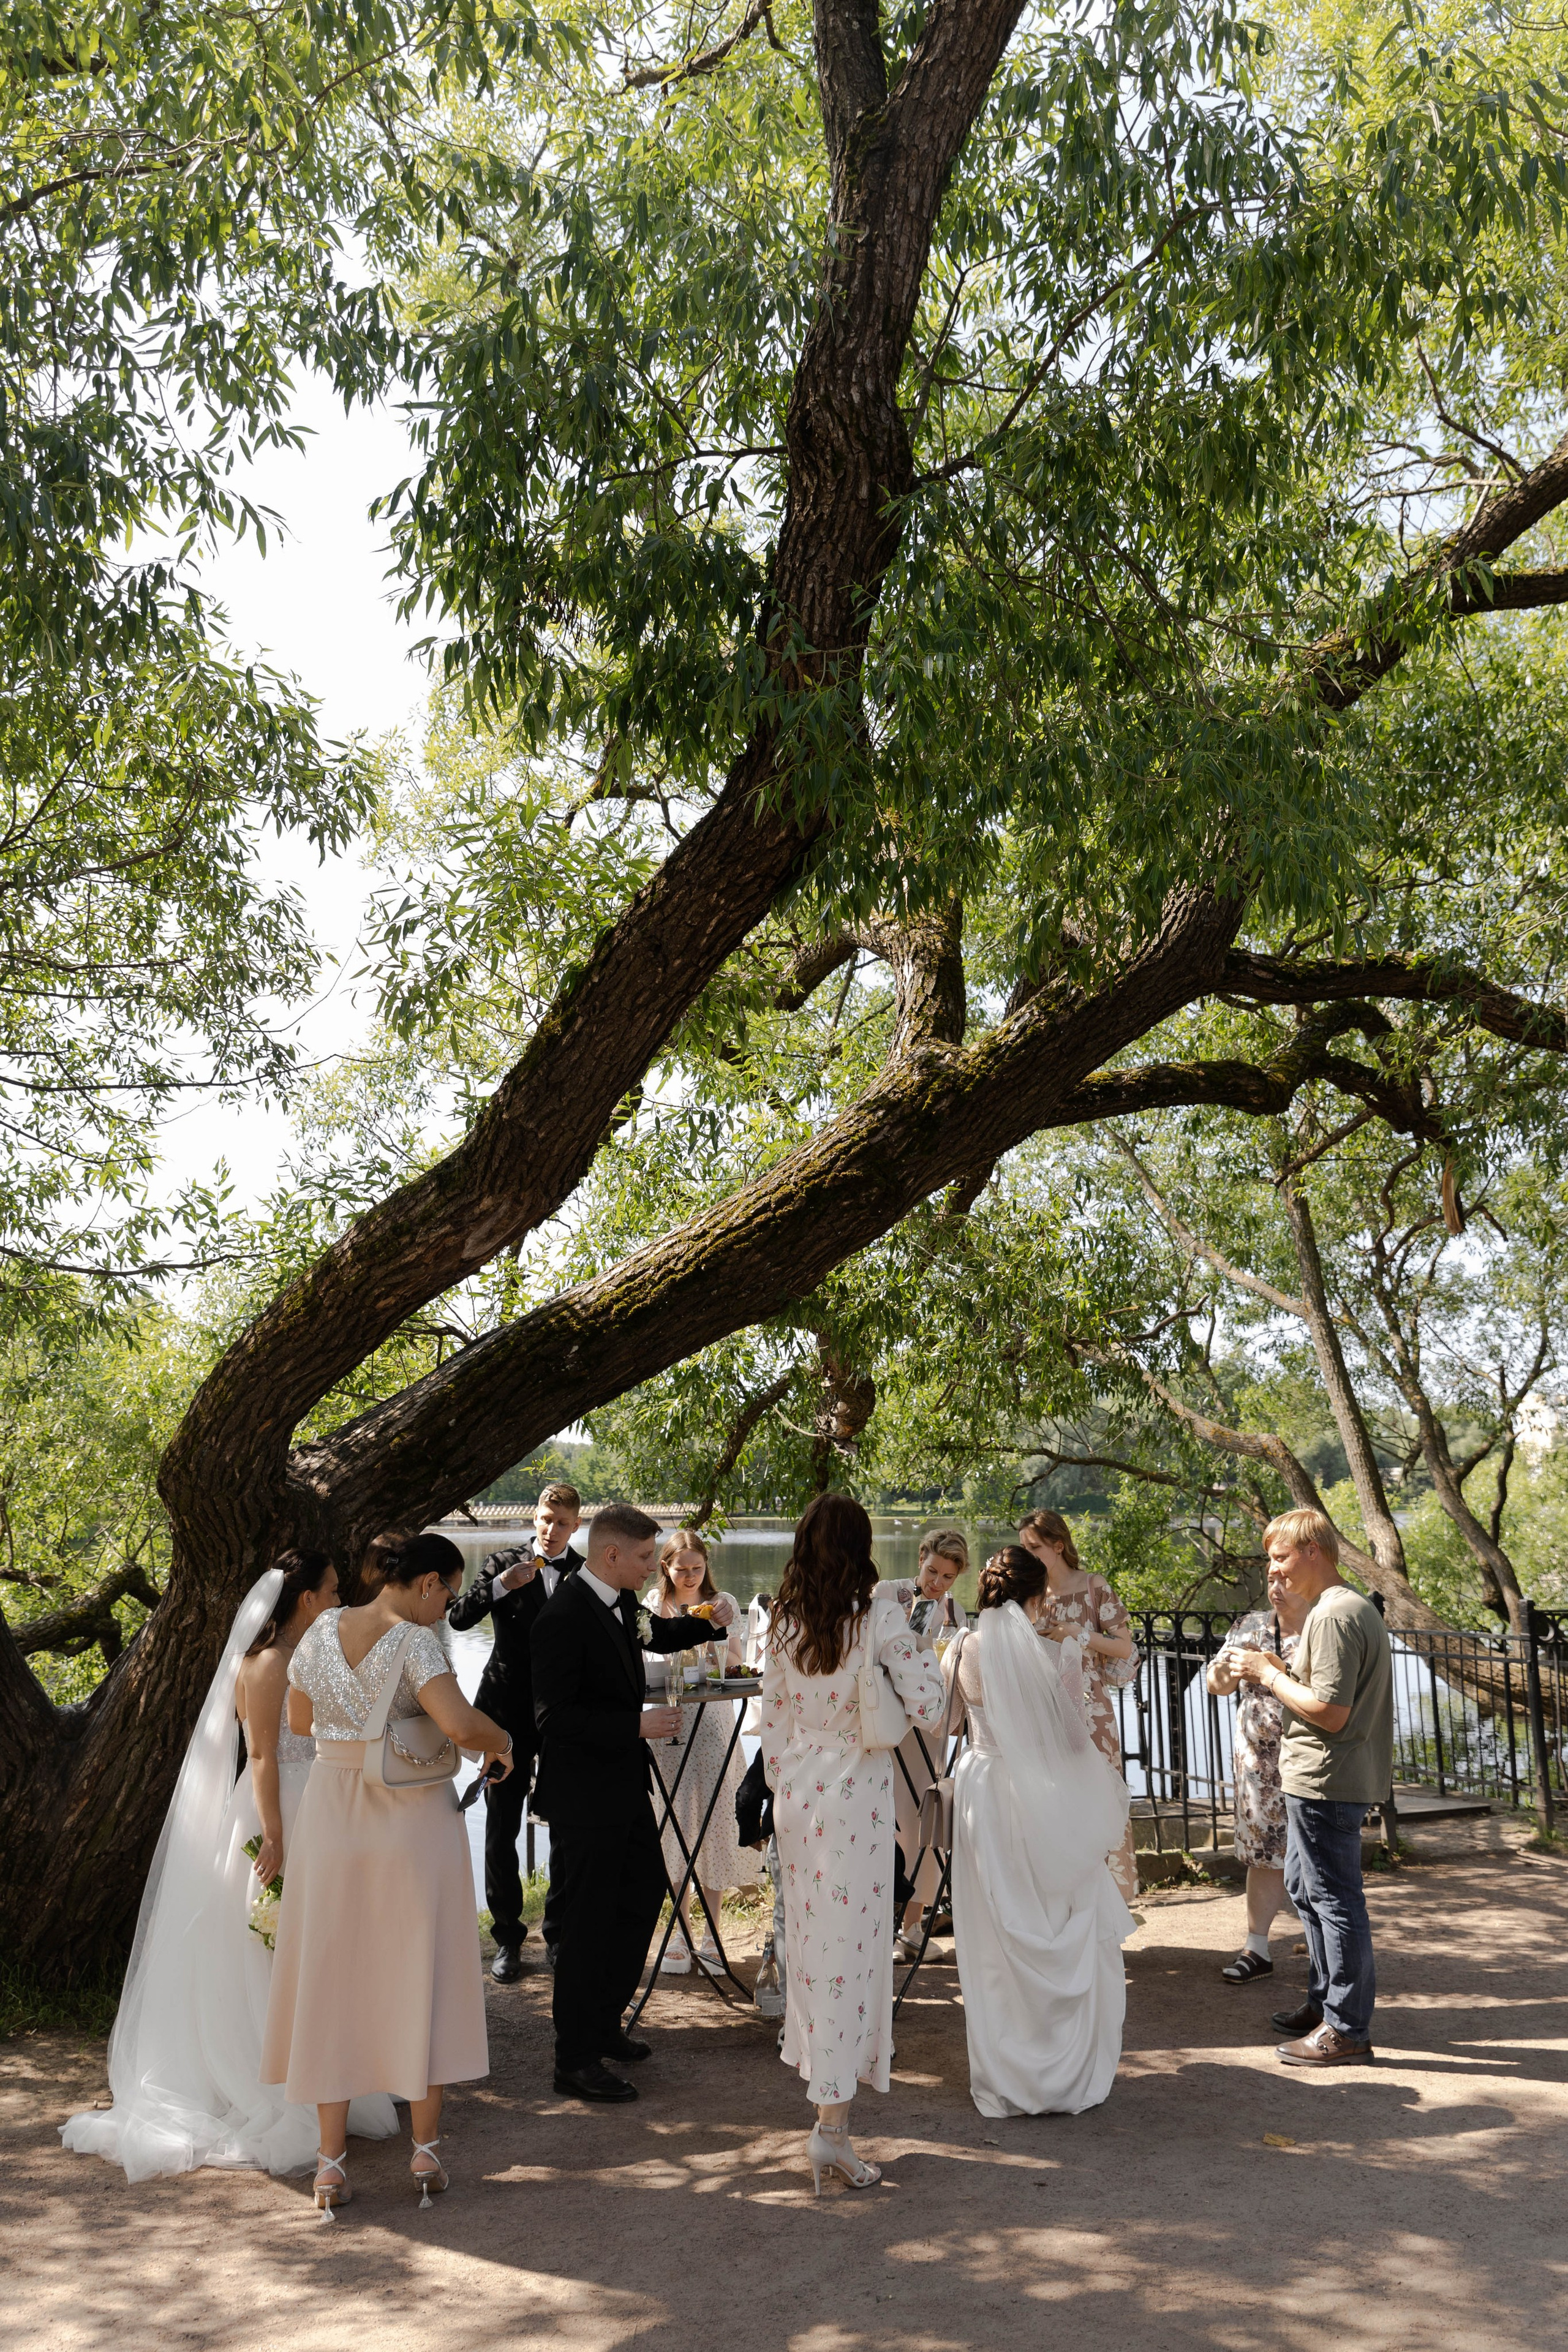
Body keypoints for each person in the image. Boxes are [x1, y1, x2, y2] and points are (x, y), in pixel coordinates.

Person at [61, 1553, 398, 2181]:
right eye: (330, 1591)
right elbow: (264, 1755)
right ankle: (273, 2077)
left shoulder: (308, 1653)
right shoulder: (268, 1664)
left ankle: (326, 2070)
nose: (337, 1600)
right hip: (281, 1809)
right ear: (305, 1599)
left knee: (319, 1943)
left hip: (316, 1801)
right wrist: (275, 1836)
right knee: (273, 1940)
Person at [259, 1532, 514, 2214]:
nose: (448, 1609)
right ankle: (425, 2153)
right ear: (428, 1583)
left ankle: (330, 2166)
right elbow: (460, 1726)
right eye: (450, 1595)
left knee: (333, 1980)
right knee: (421, 1971)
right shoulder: (417, 1643)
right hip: (409, 1821)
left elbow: (301, 1721)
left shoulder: (319, 1631)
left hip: (332, 1819)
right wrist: (505, 1742)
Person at [762, 1493, 945, 2193]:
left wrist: (789, 1782)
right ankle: (831, 2130)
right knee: (849, 1957)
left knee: (814, 1953)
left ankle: (828, 2112)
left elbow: (772, 1723)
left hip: (798, 1796)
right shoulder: (879, 1618)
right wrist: (915, 1651)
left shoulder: (783, 1620)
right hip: (855, 1799)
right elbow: (929, 1705)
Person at [530, 1502, 728, 2103]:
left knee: (641, 1897)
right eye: (645, 1557)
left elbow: (657, 1634)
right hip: (583, 1795)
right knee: (587, 1924)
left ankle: (603, 2023)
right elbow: (553, 1718)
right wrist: (634, 1726)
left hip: (622, 1786)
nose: (652, 1567)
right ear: (612, 1554)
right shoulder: (563, 1615)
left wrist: (708, 1624)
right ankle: (573, 2059)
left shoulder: (617, 1602)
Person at [950, 1545, 1133, 2116]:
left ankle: (1006, 2071)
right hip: (1038, 1796)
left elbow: (945, 1722)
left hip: (982, 1788)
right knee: (1052, 1910)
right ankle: (1063, 2069)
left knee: (993, 1928)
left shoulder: (962, 1646)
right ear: (1038, 1598)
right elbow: (1076, 1742)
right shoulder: (1060, 1653)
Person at [1228, 1509, 1393, 2067]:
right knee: (1304, 1888)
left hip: (1328, 1779)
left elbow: (1331, 1712)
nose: (1273, 1570)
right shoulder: (1345, 1608)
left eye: (1280, 1557)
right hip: (1321, 1777)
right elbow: (1329, 1695)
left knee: (1335, 1900)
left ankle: (1346, 2029)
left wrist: (1270, 1676)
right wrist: (1283, 1669)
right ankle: (1325, 2006)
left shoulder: (1335, 1614)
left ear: (1312, 1553)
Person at [447, 1480, 583, 1979]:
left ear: (576, 1526)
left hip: (563, 1717)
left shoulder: (586, 1573)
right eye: (546, 1520)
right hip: (502, 1716)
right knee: (501, 1827)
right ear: (534, 1517)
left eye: (562, 1523)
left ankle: (559, 1934)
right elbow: (458, 1619)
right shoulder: (501, 1563)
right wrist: (502, 1585)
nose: (552, 1530)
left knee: (566, 1824)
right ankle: (507, 1939)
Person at [644, 1529, 760, 1975]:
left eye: (697, 1568)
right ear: (666, 1568)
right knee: (673, 1822)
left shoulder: (722, 1602)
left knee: (714, 1821)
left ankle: (712, 1932)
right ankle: (680, 1931)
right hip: (667, 1721)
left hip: (713, 1721)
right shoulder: (652, 1607)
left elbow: (735, 1664)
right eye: (682, 1569)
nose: (691, 1576)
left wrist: (718, 1642)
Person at [1018, 1509, 1140, 1902]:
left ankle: (1108, 1904)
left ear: (1058, 1546)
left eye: (1035, 1548)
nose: (1028, 1555)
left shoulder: (1093, 1586)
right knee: (1058, 1807)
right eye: (1023, 1548)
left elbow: (1124, 1647)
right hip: (1047, 1713)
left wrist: (1078, 1634)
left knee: (1100, 1802)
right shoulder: (1033, 1595)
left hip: (1092, 1711)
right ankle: (1068, 1906)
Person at [1205, 1551, 1311, 1984]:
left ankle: (1324, 1947)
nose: (1276, 1588)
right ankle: (1257, 1949)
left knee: (1314, 1852)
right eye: (1270, 1579)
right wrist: (1230, 1672)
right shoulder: (1251, 1626)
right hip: (1258, 1764)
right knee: (1263, 1853)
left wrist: (1275, 1671)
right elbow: (1215, 1684)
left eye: (1284, 1579)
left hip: (1310, 1757)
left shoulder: (1322, 1627)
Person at [892, 1529, 970, 1959]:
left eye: (948, 1577)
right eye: (932, 1571)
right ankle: (883, 1924)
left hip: (933, 1727)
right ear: (920, 1559)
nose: (938, 1582)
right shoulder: (892, 1598)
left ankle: (913, 1926)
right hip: (894, 1726)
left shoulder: (956, 1613)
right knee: (893, 1820)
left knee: (927, 1818)